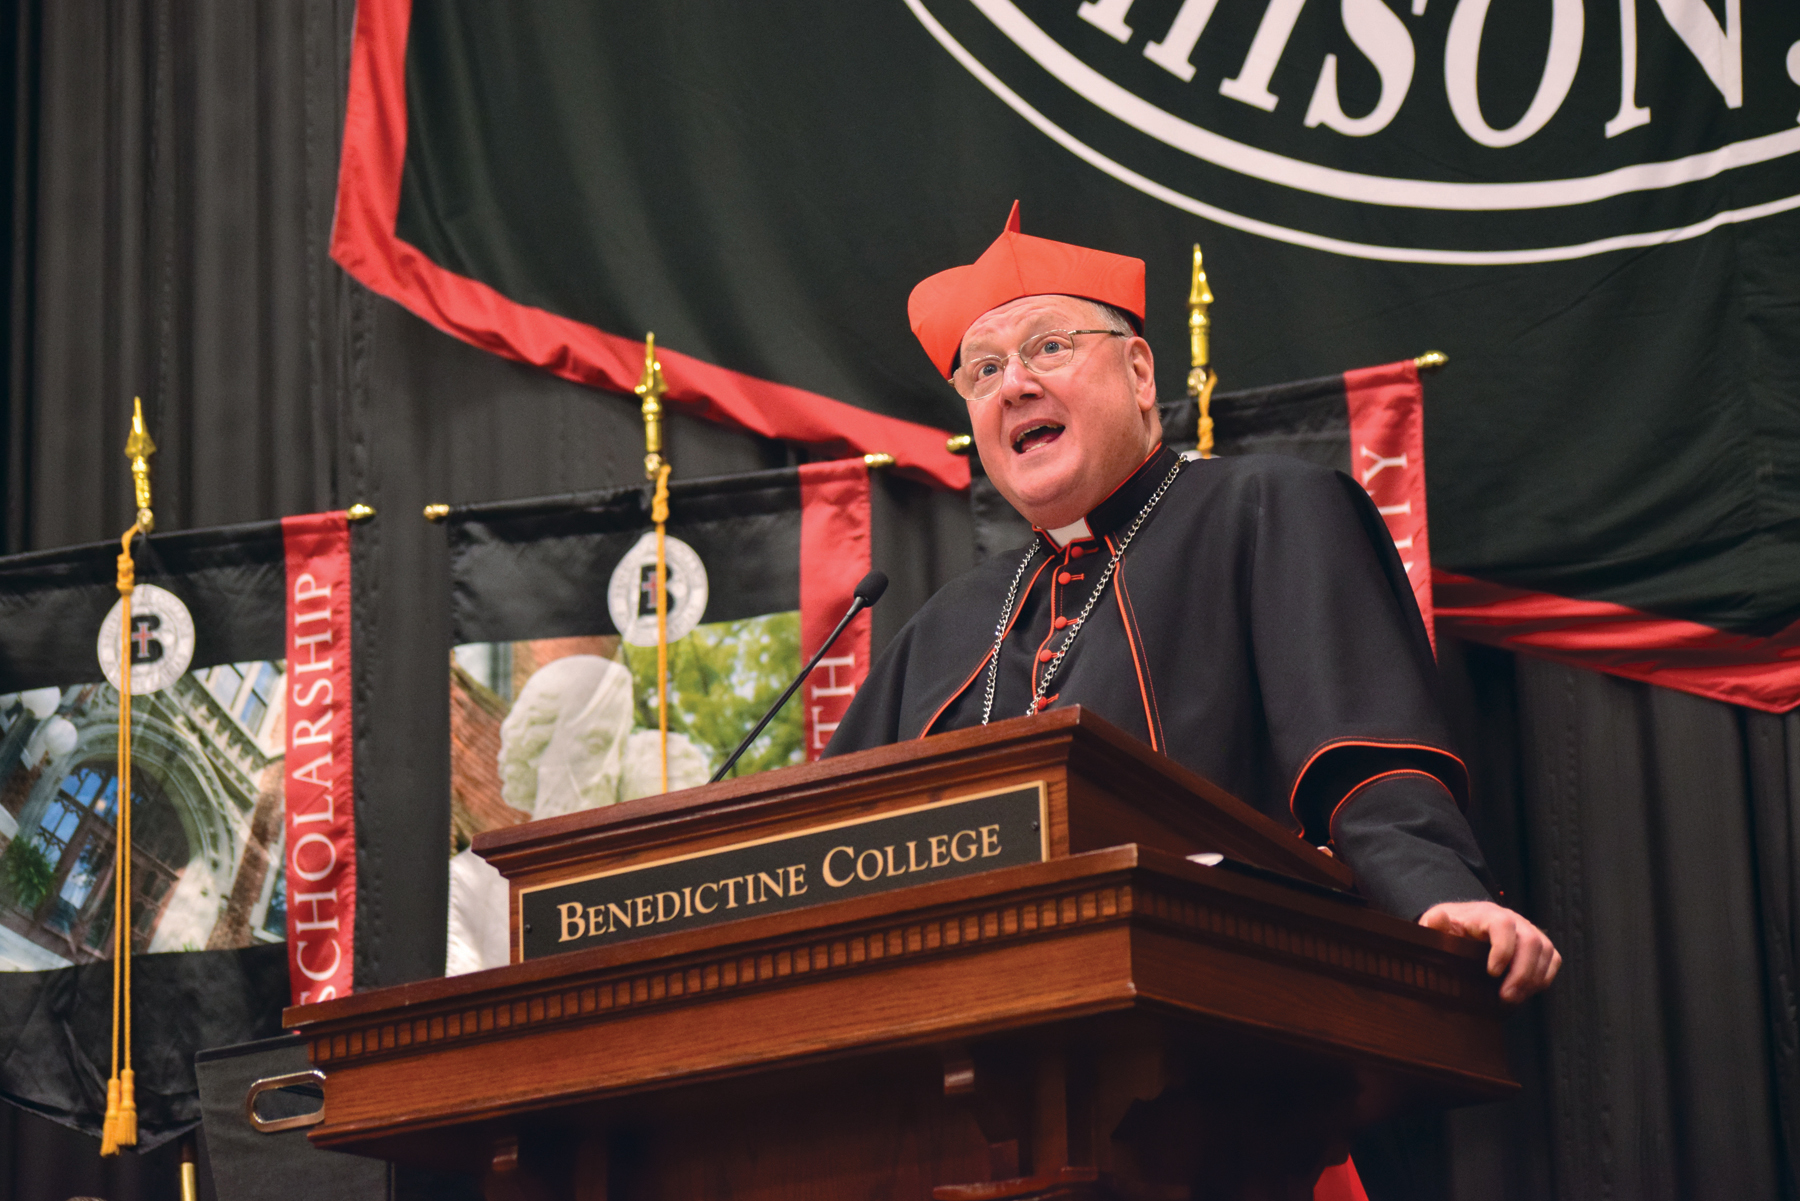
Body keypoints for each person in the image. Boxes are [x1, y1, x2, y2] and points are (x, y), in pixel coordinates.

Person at [825, 203, 1559, 1002]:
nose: (1016, 385)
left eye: (1049, 346)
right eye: (984, 370)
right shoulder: (943, 625)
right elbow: (828, 852)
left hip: (1237, 1020)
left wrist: (1437, 895)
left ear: (1140, 372)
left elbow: (1365, 766)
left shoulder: (1272, 510)